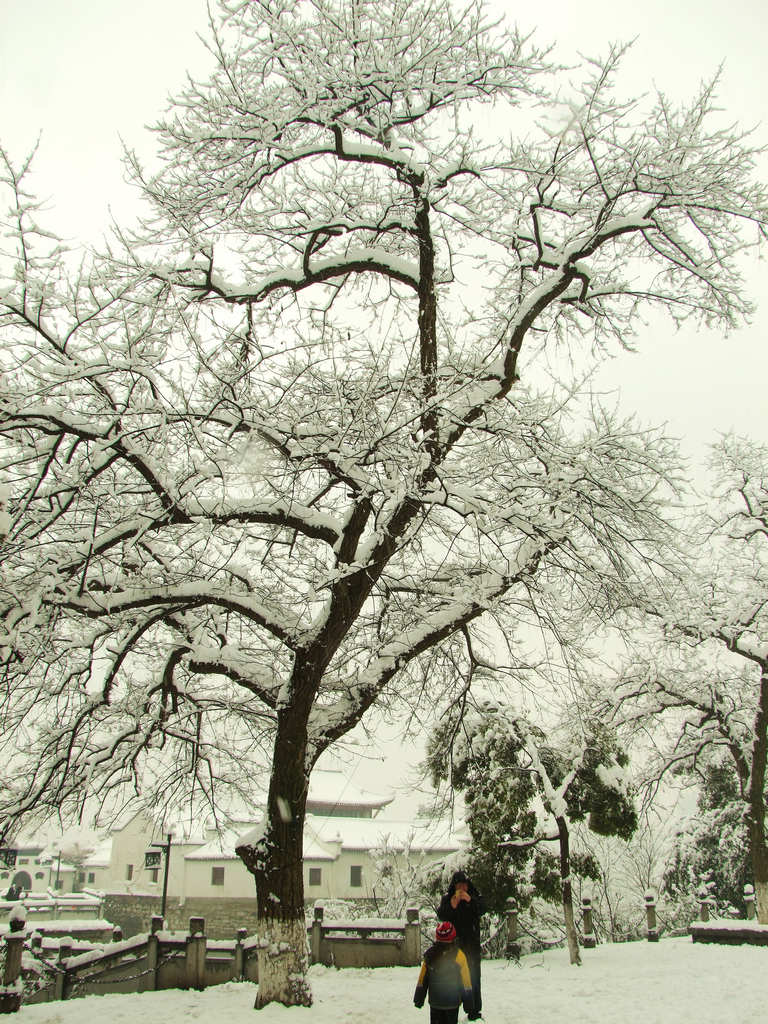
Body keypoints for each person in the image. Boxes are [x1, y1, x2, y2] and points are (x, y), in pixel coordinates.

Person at [436, 871, 485, 1021]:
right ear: (454, 886)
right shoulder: (448, 899)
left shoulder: (474, 897)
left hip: (472, 947)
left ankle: (474, 1011)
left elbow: (482, 909)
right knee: (454, 980)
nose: (462, 888)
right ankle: (452, 1012)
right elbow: (442, 915)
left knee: (474, 979)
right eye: (459, 885)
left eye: (464, 884)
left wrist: (470, 900)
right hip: (454, 948)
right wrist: (452, 905)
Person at [413, 921, 474, 1024]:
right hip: (452, 1003)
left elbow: (422, 979)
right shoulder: (459, 956)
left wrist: (419, 998)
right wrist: (468, 1003)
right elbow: (466, 981)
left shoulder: (430, 955)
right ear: (453, 936)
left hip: (435, 1002)